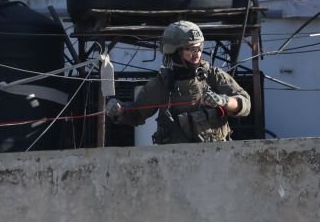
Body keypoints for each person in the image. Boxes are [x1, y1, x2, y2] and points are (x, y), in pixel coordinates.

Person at [105, 20, 250, 143]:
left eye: (198, 48)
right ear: (174, 52)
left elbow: (245, 104)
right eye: (190, 49)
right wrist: (119, 110)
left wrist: (224, 101)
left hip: (217, 158)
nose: (197, 55)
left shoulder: (213, 76)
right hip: (176, 164)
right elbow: (136, 114)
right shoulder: (162, 84)